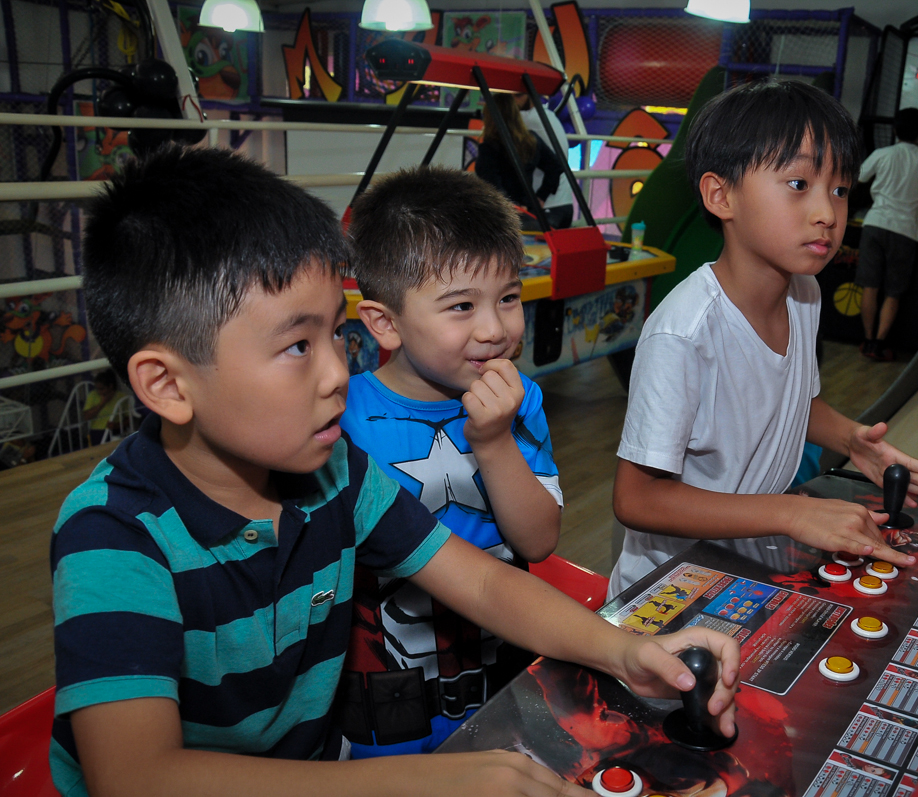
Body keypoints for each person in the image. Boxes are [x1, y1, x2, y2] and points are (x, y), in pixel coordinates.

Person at [51, 145, 739, 797]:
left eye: (331, 335)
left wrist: (626, 653)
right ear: (168, 386)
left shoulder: (336, 474)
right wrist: (423, 783)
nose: (335, 372)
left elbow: (482, 582)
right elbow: (137, 778)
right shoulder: (111, 537)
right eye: (297, 346)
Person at [608, 79, 918, 598]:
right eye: (798, 185)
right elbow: (638, 499)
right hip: (667, 588)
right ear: (721, 195)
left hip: (743, 563)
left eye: (839, 189)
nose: (828, 214)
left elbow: (787, 400)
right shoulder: (684, 333)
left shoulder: (803, 295)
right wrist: (790, 511)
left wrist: (852, 440)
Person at [339, 166, 561, 756]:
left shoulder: (519, 399)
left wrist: (493, 442)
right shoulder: (344, 416)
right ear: (385, 323)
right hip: (388, 683)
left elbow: (538, 540)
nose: (495, 329)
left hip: (502, 661)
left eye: (509, 297)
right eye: (461, 306)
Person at [855, 107, 918, 361]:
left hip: (875, 223)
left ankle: (866, 340)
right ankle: (878, 344)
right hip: (905, 231)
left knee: (870, 287)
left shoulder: (882, 154)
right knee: (893, 292)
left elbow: (859, 176)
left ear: (895, 130)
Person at [475, 93, 565, 228]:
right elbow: (556, 166)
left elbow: (492, 182)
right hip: (528, 210)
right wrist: (541, 197)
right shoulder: (531, 140)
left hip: (503, 216)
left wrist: (508, 205)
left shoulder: (490, 146)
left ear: (489, 116)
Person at [517, 93, 575, 229]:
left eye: (517, 96)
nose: (514, 102)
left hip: (548, 205)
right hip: (563, 204)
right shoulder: (548, 115)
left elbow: (498, 121)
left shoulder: (530, 119)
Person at [81, 368, 122, 445]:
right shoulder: (93, 395)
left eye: (102, 389)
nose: (99, 392)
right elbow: (87, 416)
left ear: (110, 386)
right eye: (97, 389)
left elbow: (130, 418)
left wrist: (117, 425)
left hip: (115, 430)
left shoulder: (121, 397)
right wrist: (102, 403)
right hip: (97, 431)